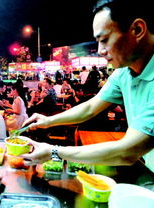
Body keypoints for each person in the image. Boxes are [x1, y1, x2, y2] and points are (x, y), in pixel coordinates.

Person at [21, 0, 154, 173]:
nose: (100, 50)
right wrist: (48, 121)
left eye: (105, 40)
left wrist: (54, 152)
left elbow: (127, 153)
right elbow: (91, 107)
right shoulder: (123, 72)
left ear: (137, 30)